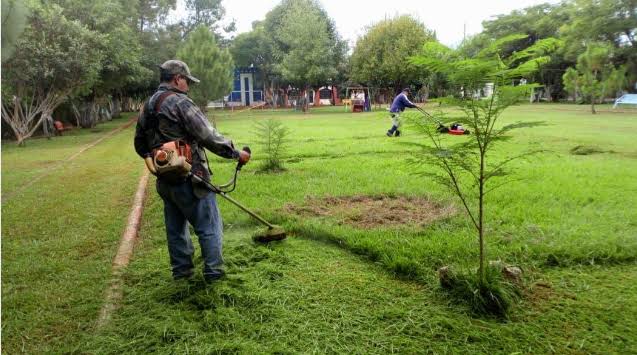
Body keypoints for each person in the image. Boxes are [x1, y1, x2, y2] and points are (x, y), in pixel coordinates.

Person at [134, 60, 250, 282]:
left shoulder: (147, 106)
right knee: (209, 226)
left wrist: (157, 159)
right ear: (178, 79)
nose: (188, 86)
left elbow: (140, 145)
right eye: (187, 81)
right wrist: (236, 154)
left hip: (165, 181)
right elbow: (207, 136)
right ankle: (214, 274)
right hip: (191, 178)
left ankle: (182, 274)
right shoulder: (180, 102)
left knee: (176, 229)